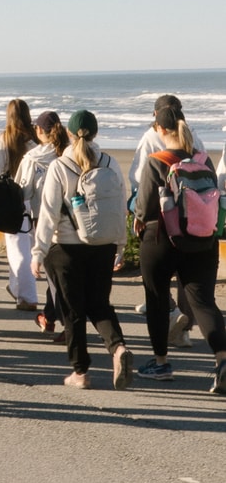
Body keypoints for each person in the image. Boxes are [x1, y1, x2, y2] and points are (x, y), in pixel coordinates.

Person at [32, 109, 132, 390]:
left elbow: (48, 213)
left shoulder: (60, 167)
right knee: (100, 304)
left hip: (67, 249)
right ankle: (118, 349)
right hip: (104, 245)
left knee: (74, 311)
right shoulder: (110, 163)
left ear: (68, 133)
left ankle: (80, 372)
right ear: (96, 132)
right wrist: (121, 247)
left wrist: (38, 253)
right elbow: (119, 209)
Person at [133, 100, 226, 391]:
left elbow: (146, 208)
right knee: (203, 301)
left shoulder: (156, 159)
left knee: (157, 300)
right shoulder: (203, 159)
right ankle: (222, 360)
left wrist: (135, 216)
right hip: (202, 240)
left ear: (159, 128)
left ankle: (160, 364)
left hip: (162, 239)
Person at [18, 111, 70, 336]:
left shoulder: (34, 157)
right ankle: (49, 316)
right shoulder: (70, 152)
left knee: (54, 276)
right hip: (72, 218)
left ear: (39, 131)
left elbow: (24, 190)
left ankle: (69, 326)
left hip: (44, 218)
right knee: (60, 274)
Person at [0, 99, 39, 311]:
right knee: (32, 245)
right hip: (36, 196)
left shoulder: (5, 139)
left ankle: (27, 296)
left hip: (13, 198)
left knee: (18, 249)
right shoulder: (36, 138)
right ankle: (15, 287)